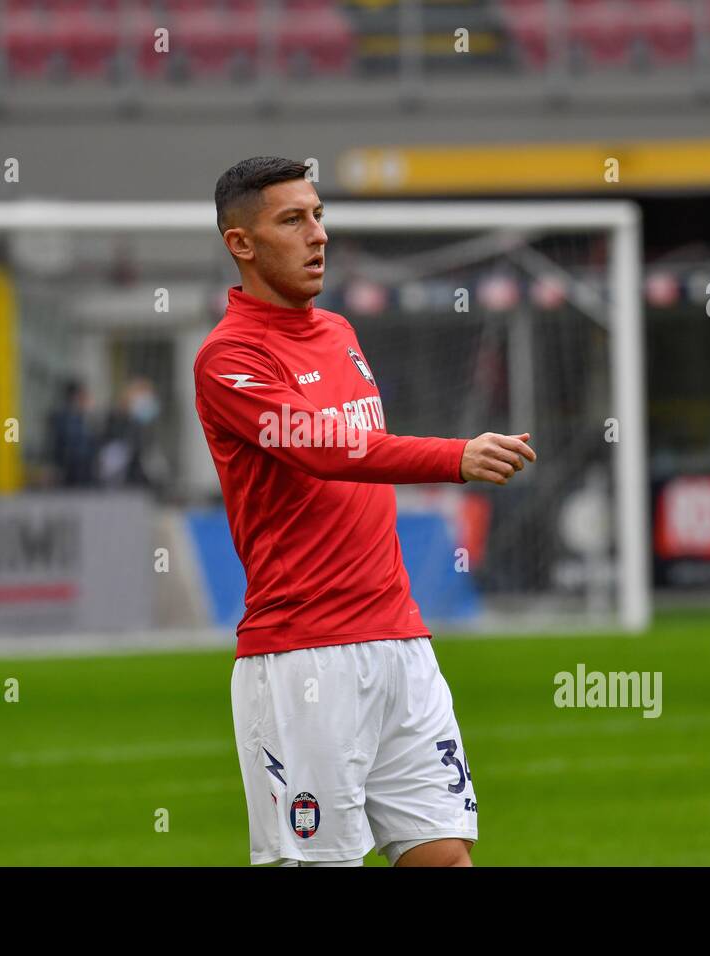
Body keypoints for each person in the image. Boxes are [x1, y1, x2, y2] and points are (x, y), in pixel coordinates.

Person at [194, 156, 536, 867]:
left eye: (319, 214)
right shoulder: (228, 360)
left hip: (401, 642)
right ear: (242, 244)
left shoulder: (340, 332)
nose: (318, 234)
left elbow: (358, 452)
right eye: (293, 220)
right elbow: (322, 448)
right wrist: (453, 458)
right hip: (304, 656)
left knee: (445, 858)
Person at [45, 378, 98, 487]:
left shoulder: (79, 417)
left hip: (77, 471)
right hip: (74, 473)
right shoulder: (68, 419)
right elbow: (74, 448)